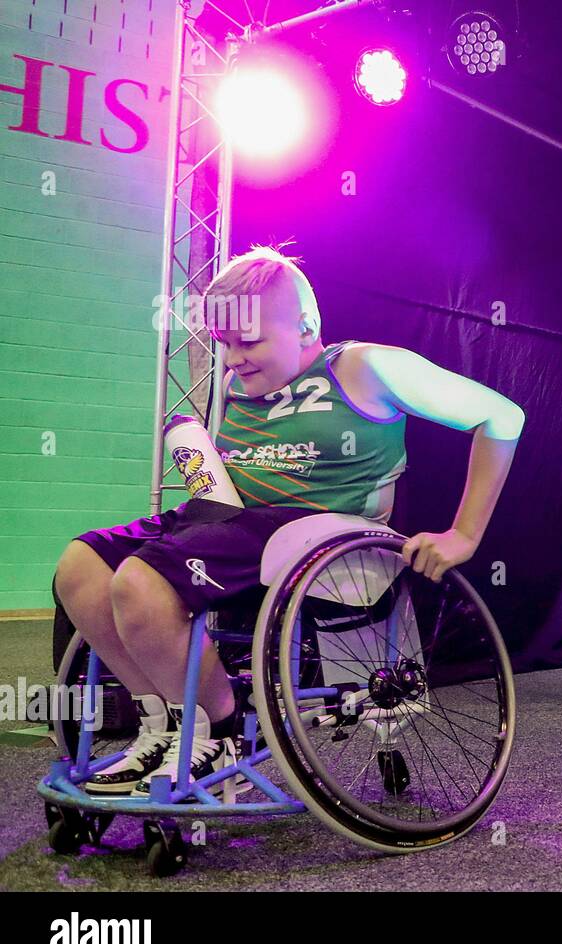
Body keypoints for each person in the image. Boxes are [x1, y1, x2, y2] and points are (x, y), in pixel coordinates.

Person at [53, 246, 524, 795]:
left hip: (314, 534)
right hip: (225, 522)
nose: (232, 359)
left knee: (140, 583)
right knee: (79, 567)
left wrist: (464, 534)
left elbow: (502, 415)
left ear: (305, 327)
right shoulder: (234, 384)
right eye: (224, 342)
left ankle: (220, 729)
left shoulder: (365, 367)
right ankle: (163, 725)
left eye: (248, 341)